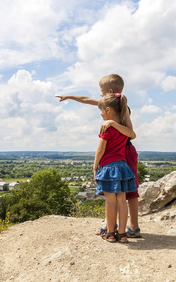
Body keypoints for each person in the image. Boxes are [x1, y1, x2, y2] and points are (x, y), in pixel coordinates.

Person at [56, 74, 141, 238]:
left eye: (101, 92)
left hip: (124, 153)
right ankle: (112, 225)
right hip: (119, 153)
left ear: (110, 91)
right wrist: (70, 96)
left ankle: (132, 226)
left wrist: (113, 124)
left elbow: (132, 134)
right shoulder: (113, 105)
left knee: (128, 191)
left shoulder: (123, 110)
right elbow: (87, 99)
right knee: (117, 192)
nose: (99, 96)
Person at [93, 93, 137, 243]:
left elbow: (100, 150)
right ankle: (123, 234)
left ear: (108, 110)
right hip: (123, 167)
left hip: (108, 168)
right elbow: (132, 134)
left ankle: (111, 233)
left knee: (110, 201)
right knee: (122, 201)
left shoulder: (107, 129)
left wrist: (95, 167)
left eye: (101, 110)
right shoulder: (124, 128)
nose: (100, 113)